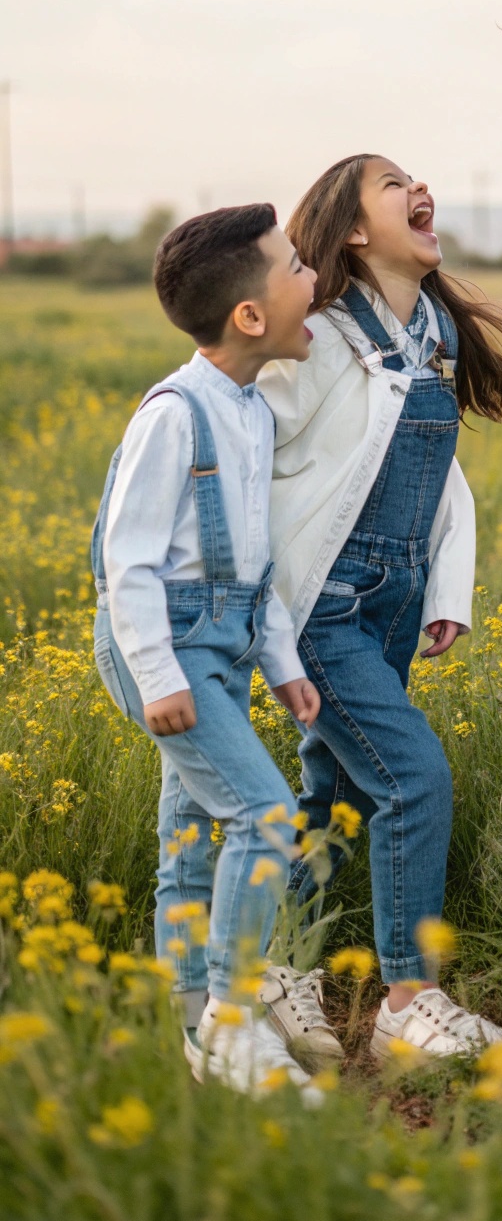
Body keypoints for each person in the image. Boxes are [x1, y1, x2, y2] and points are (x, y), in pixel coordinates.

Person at [258, 154, 502, 1055]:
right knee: (411, 780)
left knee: (332, 795)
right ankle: (410, 1007)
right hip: (324, 608)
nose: (423, 189)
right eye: (393, 183)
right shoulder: (320, 336)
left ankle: (275, 972)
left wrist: (445, 587)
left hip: (396, 599)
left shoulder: (432, 333)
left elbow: (438, 476)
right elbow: (252, 450)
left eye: (419, 178)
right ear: (354, 232)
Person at [92, 204, 334, 1094]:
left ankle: (197, 1035)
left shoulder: (250, 412)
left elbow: (253, 556)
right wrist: (157, 673)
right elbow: (130, 560)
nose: (314, 282)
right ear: (250, 316)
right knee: (265, 819)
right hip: (168, 645)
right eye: (297, 270)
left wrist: (283, 662)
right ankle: (234, 1022)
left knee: (191, 839)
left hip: (224, 643)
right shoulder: (174, 412)